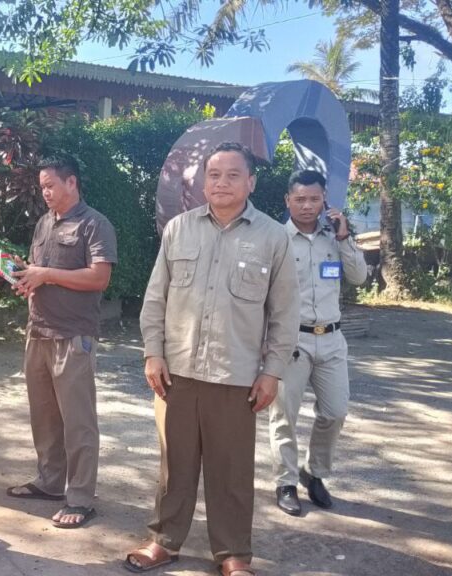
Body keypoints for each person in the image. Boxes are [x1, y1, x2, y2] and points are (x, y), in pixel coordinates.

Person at [125, 142, 300, 576]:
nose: (221, 182)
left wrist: (272, 372)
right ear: (204, 182)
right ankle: (164, 540)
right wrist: (153, 353)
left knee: (232, 470)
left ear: (251, 182)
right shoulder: (178, 229)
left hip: (235, 375)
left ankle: (233, 552)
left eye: (233, 175)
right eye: (214, 174)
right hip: (176, 372)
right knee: (175, 464)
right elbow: (155, 298)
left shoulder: (273, 237)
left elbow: (285, 313)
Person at [5, 156, 117, 530]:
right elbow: (40, 271)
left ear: (72, 182)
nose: (46, 193)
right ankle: (50, 483)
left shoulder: (95, 224)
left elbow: (99, 278)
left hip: (74, 336)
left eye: (51, 185)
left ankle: (81, 497)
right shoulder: (44, 223)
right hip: (38, 331)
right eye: (42, 187)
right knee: (44, 417)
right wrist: (27, 277)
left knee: (78, 422)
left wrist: (47, 274)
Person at [269, 170, 367, 516]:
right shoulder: (276, 239)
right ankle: (285, 481)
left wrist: (344, 237)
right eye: (300, 199)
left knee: (335, 411)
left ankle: (314, 473)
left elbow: (359, 277)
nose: (307, 206)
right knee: (284, 416)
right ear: (288, 201)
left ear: (325, 199)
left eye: (314, 199)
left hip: (332, 339)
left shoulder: (335, 239)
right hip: (291, 340)